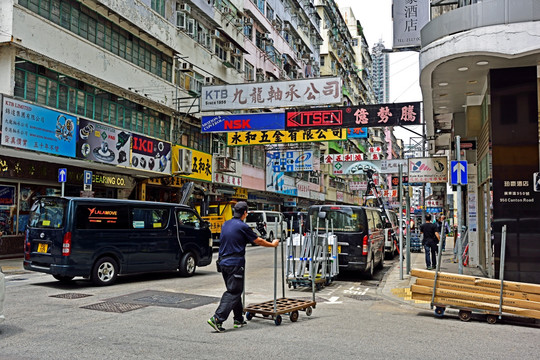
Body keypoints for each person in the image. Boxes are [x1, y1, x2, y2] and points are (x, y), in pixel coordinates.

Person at [207, 201, 279, 332]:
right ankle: (217, 319)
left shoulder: (226, 224)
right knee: (233, 291)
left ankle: (238, 319)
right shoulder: (242, 226)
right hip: (235, 264)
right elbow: (258, 241)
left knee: (235, 289)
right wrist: (273, 244)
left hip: (223, 263)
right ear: (245, 213)